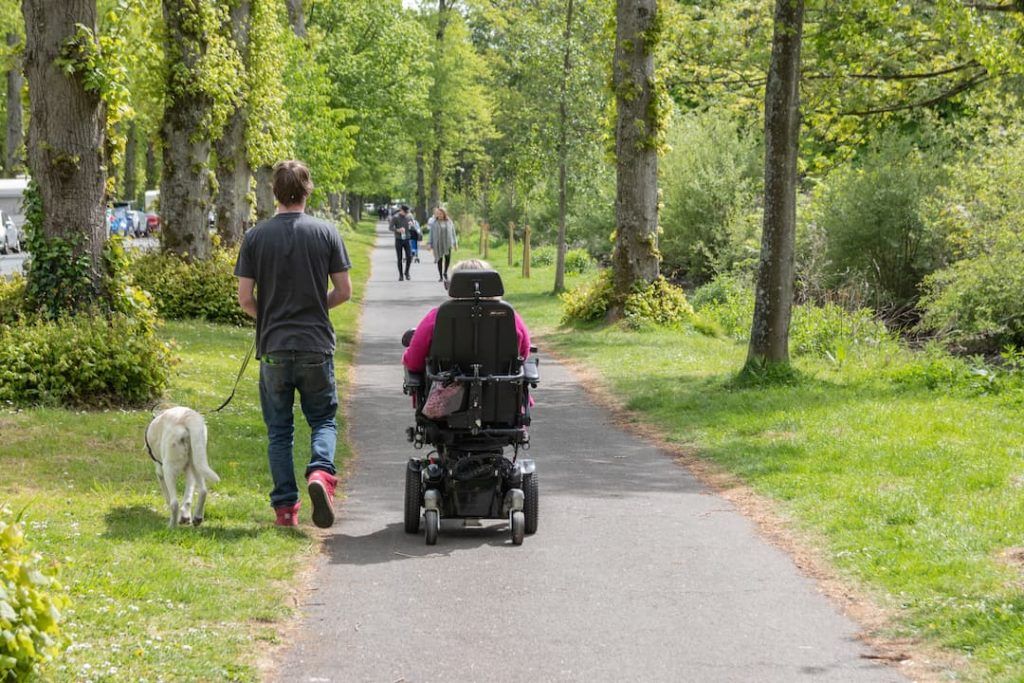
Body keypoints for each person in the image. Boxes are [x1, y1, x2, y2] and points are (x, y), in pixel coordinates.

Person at [234, 160, 352, 528]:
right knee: (322, 420)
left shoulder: (255, 237)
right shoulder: (326, 232)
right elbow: (344, 291)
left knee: (280, 431)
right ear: (308, 190)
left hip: (274, 347)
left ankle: (286, 510)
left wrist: (269, 317)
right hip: (316, 344)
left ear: (274, 192)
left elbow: (245, 298)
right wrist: (317, 306)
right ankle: (320, 473)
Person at [402, 259, 531, 374]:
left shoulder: (437, 316)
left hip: (446, 395)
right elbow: (523, 354)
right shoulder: (509, 316)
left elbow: (413, 362)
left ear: (454, 286)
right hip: (501, 395)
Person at [428, 206, 457, 285]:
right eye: (438, 214)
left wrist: (455, 243)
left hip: (447, 243)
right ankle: (440, 276)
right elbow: (431, 234)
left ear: (444, 214)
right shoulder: (434, 223)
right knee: (439, 259)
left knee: (448, 259)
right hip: (438, 244)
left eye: (441, 214)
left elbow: (453, 233)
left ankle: (445, 272)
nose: (439, 215)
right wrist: (429, 244)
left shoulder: (449, 222)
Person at [389, 205, 414, 281]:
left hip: (407, 238)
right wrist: (398, 230)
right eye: (405, 212)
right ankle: (400, 275)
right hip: (399, 239)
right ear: (401, 210)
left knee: (409, 256)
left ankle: (407, 272)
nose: (406, 213)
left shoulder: (409, 217)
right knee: (399, 258)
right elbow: (390, 227)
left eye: (407, 212)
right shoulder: (395, 217)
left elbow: (413, 226)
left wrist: (411, 225)